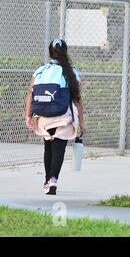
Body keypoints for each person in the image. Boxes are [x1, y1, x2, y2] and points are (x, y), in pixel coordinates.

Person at [25, 39, 86, 195]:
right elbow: (77, 99)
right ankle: (53, 179)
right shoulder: (71, 72)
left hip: (43, 116)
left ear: (49, 53)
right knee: (59, 148)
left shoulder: (40, 71)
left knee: (48, 147)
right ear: (65, 52)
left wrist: (28, 116)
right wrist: (82, 123)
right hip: (64, 117)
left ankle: (46, 180)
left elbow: (30, 95)